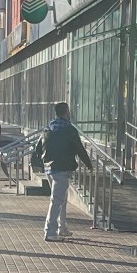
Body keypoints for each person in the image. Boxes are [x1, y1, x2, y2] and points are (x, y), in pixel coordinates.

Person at [41, 101, 92, 241]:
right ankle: (50, 232)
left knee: (61, 199)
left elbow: (39, 147)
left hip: (49, 168)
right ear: (66, 112)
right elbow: (79, 148)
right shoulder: (69, 129)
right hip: (62, 168)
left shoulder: (49, 127)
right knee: (57, 200)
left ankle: (62, 228)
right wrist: (88, 164)